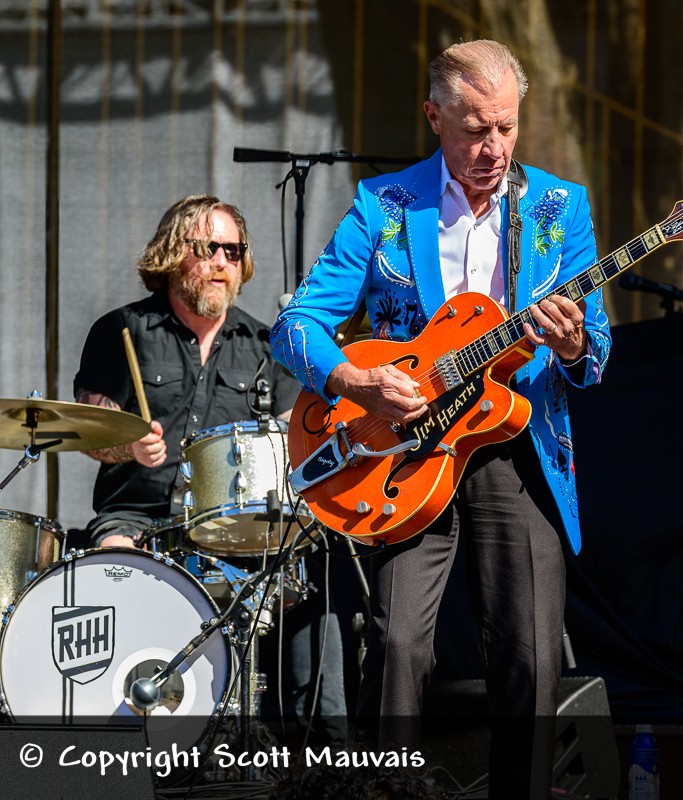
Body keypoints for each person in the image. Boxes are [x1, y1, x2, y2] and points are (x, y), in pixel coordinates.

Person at [270, 39, 611, 799]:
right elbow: (296, 325)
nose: (493, 148)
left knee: (530, 653)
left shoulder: (560, 208)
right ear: (434, 117)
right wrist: (358, 379)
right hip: (402, 453)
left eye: (506, 128)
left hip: (511, 442)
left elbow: (599, 349)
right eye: (473, 129)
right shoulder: (383, 205)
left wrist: (577, 338)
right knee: (395, 643)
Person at [74, 194, 347, 746]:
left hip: (237, 529)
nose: (223, 261)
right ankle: (113, 743)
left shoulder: (268, 345)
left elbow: (296, 439)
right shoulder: (120, 330)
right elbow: (90, 433)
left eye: (234, 250)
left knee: (315, 574)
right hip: (139, 515)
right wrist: (128, 445)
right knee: (112, 568)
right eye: (209, 248)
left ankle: (323, 749)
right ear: (175, 254)